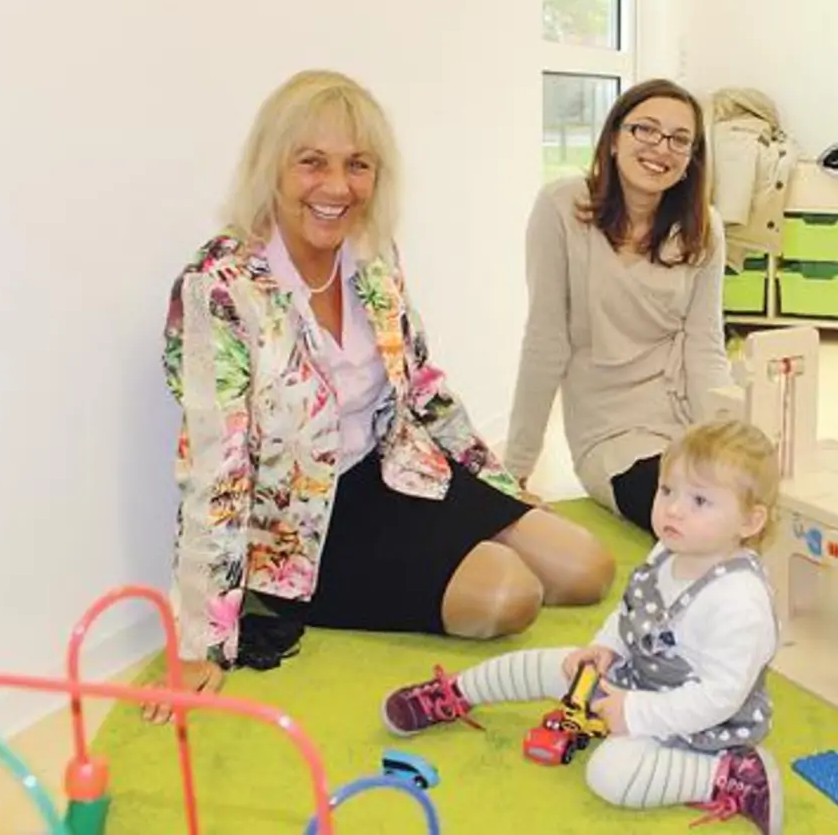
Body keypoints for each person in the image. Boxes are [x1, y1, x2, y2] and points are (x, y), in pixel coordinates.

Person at [144, 70, 616, 721]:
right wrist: (202, 637)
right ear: (271, 167)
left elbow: (422, 384)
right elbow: (213, 468)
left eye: (357, 165)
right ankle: (354, 586)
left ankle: (456, 549)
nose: (337, 187)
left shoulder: (370, 254)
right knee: (511, 597)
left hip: (397, 470)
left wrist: (498, 486)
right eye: (312, 162)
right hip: (306, 525)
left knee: (587, 567)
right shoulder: (218, 288)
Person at [379, 419, 784, 835]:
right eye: (667, 491)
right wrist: (605, 648)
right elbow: (631, 610)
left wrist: (636, 713)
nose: (674, 509)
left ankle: (731, 775)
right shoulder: (668, 550)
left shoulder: (739, 602)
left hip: (693, 719)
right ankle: (458, 693)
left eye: (700, 500)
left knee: (611, 774)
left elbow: (719, 697)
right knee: (555, 666)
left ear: (750, 522)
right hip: (639, 678)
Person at [505, 79, 732, 536]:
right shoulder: (562, 207)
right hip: (612, 434)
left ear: (691, 159)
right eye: (644, 130)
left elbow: (705, 346)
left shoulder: (704, 227)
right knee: (697, 517)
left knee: (750, 500)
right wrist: (515, 469)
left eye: (679, 139)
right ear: (613, 139)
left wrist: (723, 435)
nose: (660, 148)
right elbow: (546, 342)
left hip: (687, 417)